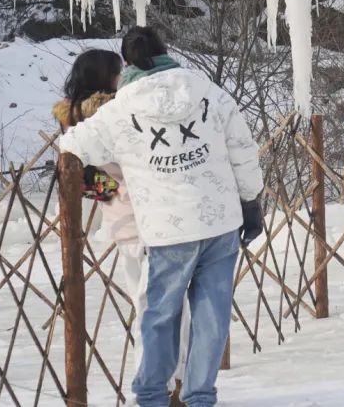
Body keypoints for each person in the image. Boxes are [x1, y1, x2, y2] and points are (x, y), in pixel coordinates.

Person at [58, 27, 265, 407]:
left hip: (166, 228)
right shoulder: (206, 90)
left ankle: (152, 397)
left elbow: (71, 145)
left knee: (159, 315)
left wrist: (91, 177)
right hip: (220, 222)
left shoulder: (121, 108)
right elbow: (242, 146)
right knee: (211, 317)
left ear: (128, 63)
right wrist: (251, 200)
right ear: (166, 52)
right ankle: (199, 397)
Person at [52, 48, 190, 397]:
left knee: (148, 301)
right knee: (164, 305)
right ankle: (167, 384)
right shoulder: (119, 113)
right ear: (107, 78)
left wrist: (112, 193)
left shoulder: (71, 119)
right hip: (151, 215)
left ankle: (165, 382)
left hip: (123, 221)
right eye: (118, 71)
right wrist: (127, 189)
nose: (124, 76)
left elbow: (81, 180)